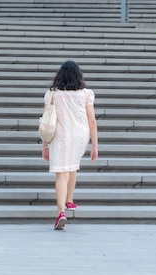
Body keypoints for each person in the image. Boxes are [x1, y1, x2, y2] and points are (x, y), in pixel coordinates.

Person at [42, 60, 98, 230]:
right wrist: (95, 145)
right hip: (80, 135)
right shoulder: (86, 94)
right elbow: (92, 120)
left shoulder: (52, 94)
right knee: (72, 165)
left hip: (60, 135)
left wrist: (44, 145)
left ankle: (61, 212)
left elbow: (46, 121)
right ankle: (70, 200)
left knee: (61, 172)